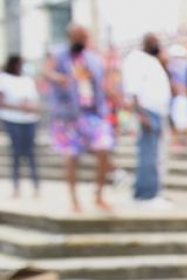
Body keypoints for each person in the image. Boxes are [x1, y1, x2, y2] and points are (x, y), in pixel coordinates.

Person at [43, 24, 114, 212]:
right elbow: (46, 72)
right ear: (70, 37)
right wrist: (60, 78)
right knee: (72, 157)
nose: (82, 41)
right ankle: (74, 201)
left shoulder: (93, 58)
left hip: (93, 113)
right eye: (79, 37)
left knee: (104, 149)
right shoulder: (58, 55)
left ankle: (99, 195)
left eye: (85, 37)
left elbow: (103, 83)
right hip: (68, 115)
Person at [121, 34, 173, 206]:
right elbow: (133, 90)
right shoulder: (136, 60)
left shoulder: (151, 61)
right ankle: (148, 194)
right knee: (148, 154)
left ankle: (144, 190)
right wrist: (143, 115)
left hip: (157, 111)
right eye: (154, 42)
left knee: (154, 154)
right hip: (148, 112)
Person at [0, 55, 40, 199]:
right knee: (16, 153)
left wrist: (31, 107)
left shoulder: (27, 80)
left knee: (30, 153)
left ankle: (36, 186)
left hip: (29, 120)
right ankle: (16, 186)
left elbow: (35, 100)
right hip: (12, 119)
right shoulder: (4, 79)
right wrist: (19, 107)